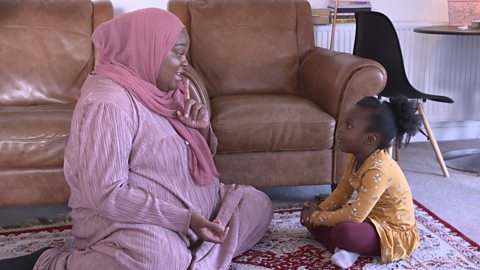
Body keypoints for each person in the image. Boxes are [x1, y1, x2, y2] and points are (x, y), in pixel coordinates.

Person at [0, 8, 272, 270]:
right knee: (157, 257)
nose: (186, 63)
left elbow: (194, 160)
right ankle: (51, 263)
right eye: (178, 53)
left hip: (202, 212)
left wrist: (199, 129)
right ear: (147, 50)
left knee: (258, 205)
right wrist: (184, 219)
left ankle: (192, 258)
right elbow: (107, 193)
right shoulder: (109, 103)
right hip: (133, 225)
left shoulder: (164, 90)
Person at [300, 96, 421, 269]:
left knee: (343, 232)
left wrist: (318, 218)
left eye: (348, 126)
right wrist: (319, 210)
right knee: (308, 215)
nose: (340, 130)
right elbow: (342, 193)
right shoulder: (356, 158)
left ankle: (348, 247)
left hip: (390, 230)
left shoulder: (378, 169)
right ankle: (347, 248)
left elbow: (354, 216)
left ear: (370, 140)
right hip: (367, 219)